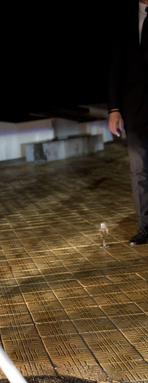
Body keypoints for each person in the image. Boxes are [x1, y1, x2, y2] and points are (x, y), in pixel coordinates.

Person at [108, 0, 148, 245]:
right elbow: (115, 67)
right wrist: (114, 109)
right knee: (139, 171)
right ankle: (145, 227)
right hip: (135, 111)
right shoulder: (124, 22)